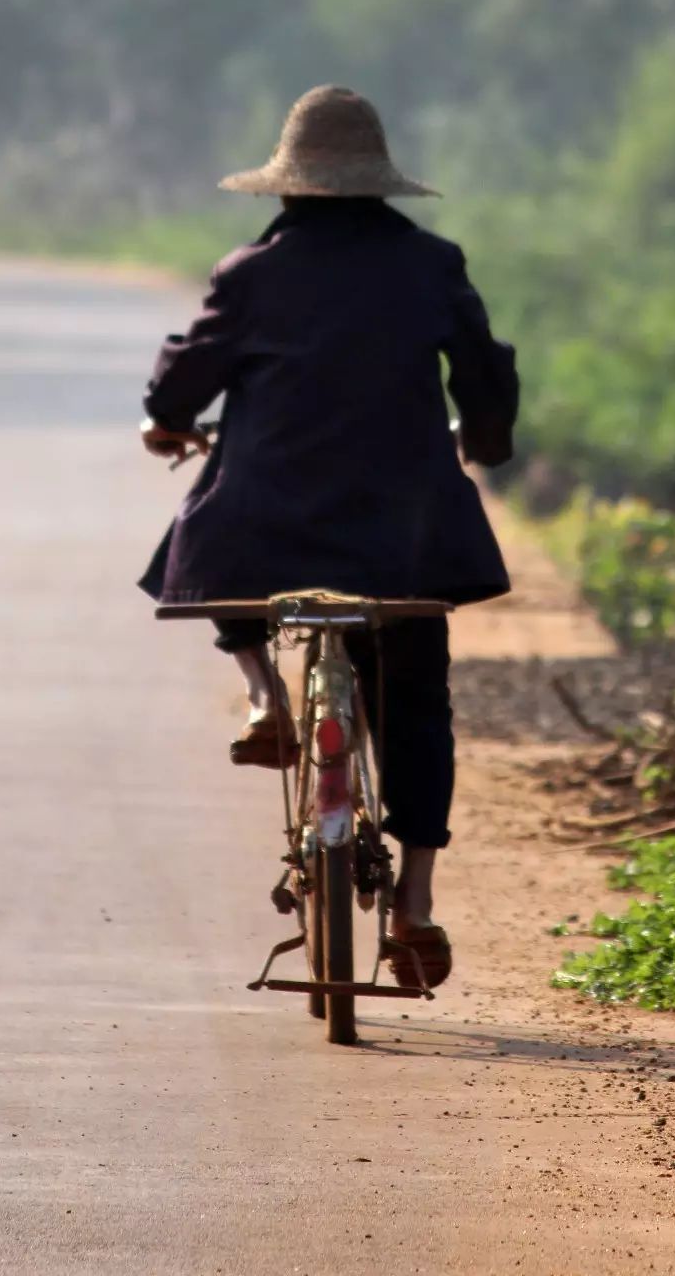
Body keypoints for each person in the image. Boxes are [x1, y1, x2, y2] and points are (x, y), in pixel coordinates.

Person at [138, 85, 518, 987]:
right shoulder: (432, 265)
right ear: (380, 188)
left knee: (210, 528)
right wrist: (488, 443)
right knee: (417, 700)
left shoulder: (251, 275)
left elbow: (178, 388)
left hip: (268, 534)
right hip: (405, 540)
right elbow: (484, 378)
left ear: (287, 190)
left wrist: (168, 418)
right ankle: (416, 907)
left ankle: (266, 693)